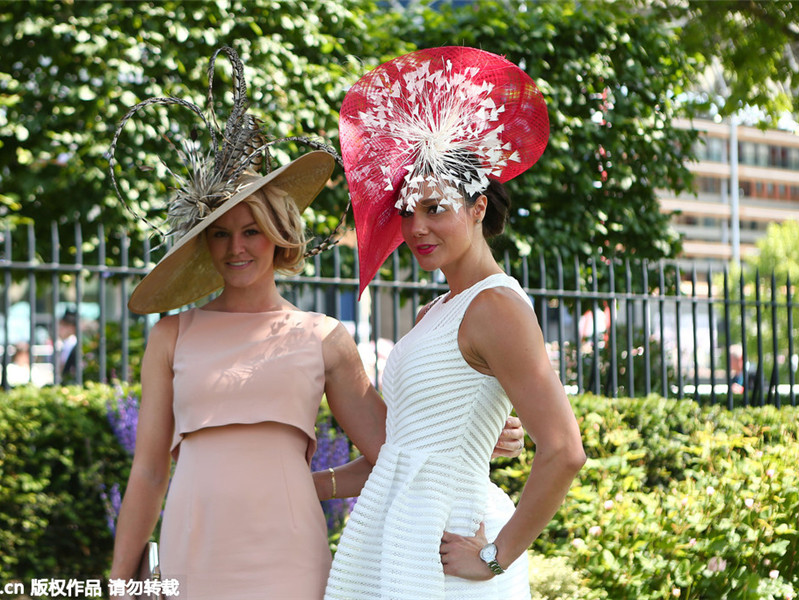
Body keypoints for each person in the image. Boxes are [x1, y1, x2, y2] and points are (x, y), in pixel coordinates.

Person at [106, 47, 526, 600]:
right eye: (220, 233)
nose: (237, 247)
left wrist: (469, 432)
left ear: (279, 235)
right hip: (192, 542)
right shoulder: (171, 337)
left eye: (252, 230)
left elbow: (391, 449)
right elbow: (148, 473)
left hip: (291, 554)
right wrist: (120, 584)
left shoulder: (323, 337)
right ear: (203, 245)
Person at [326, 46, 586, 599]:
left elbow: (564, 449)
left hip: (451, 550)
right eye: (406, 210)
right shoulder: (434, 312)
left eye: (435, 208)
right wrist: (304, 484)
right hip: (394, 542)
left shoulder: (496, 307)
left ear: (478, 207)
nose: (416, 227)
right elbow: (398, 453)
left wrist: (494, 557)